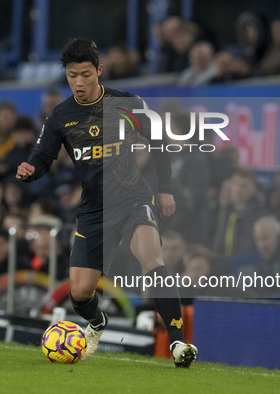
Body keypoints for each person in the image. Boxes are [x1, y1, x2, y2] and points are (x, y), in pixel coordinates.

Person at [16, 38, 197, 367]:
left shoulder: (126, 103)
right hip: (94, 209)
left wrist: (165, 188)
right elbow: (42, 157)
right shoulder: (61, 116)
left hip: (133, 198)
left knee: (152, 260)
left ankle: (177, 344)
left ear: (99, 70)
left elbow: (158, 140)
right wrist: (31, 170)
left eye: (86, 74)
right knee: (80, 293)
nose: (79, 83)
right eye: (72, 76)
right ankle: (97, 323)